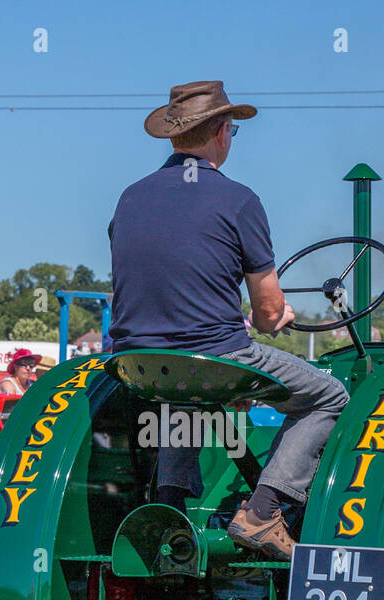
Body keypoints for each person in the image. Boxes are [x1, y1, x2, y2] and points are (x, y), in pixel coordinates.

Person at [108, 80, 349, 559]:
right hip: (216, 355)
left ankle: (169, 506)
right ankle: (264, 511)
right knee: (329, 395)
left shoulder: (128, 198)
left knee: (179, 381)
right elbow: (267, 311)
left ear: (174, 138)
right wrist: (280, 316)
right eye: (233, 131)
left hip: (136, 362)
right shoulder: (238, 200)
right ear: (221, 132)